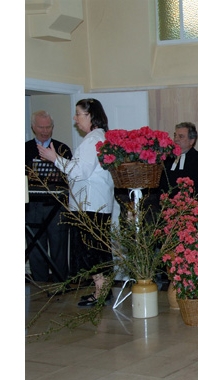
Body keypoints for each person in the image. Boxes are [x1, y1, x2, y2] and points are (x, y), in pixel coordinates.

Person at [37, 98, 115, 307]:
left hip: (91, 205)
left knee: (93, 250)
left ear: (90, 115)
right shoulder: (97, 138)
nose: (75, 118)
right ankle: (101, 290)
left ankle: (101, 292)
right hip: (93, 204)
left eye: (78, 114)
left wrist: (55, 158)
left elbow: (79, 173)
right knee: (95, 249)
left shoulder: (93, 140)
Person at [25, 110, 73, 282]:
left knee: (59, 245)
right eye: (40, 127)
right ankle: (40, 283)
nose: (45, 131)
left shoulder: (62, 148)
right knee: (36, 248)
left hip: (57, 206)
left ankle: (62, 282)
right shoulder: (24, 149)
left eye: (48, 127)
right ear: (33, 127)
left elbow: (71, 176)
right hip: (32, 206)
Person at [160, 122, 198, 202]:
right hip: (165, 205)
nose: (176, 139)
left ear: (192, 141)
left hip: (188, 206)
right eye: (175, 135)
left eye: (181, 136)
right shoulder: (167, 159)